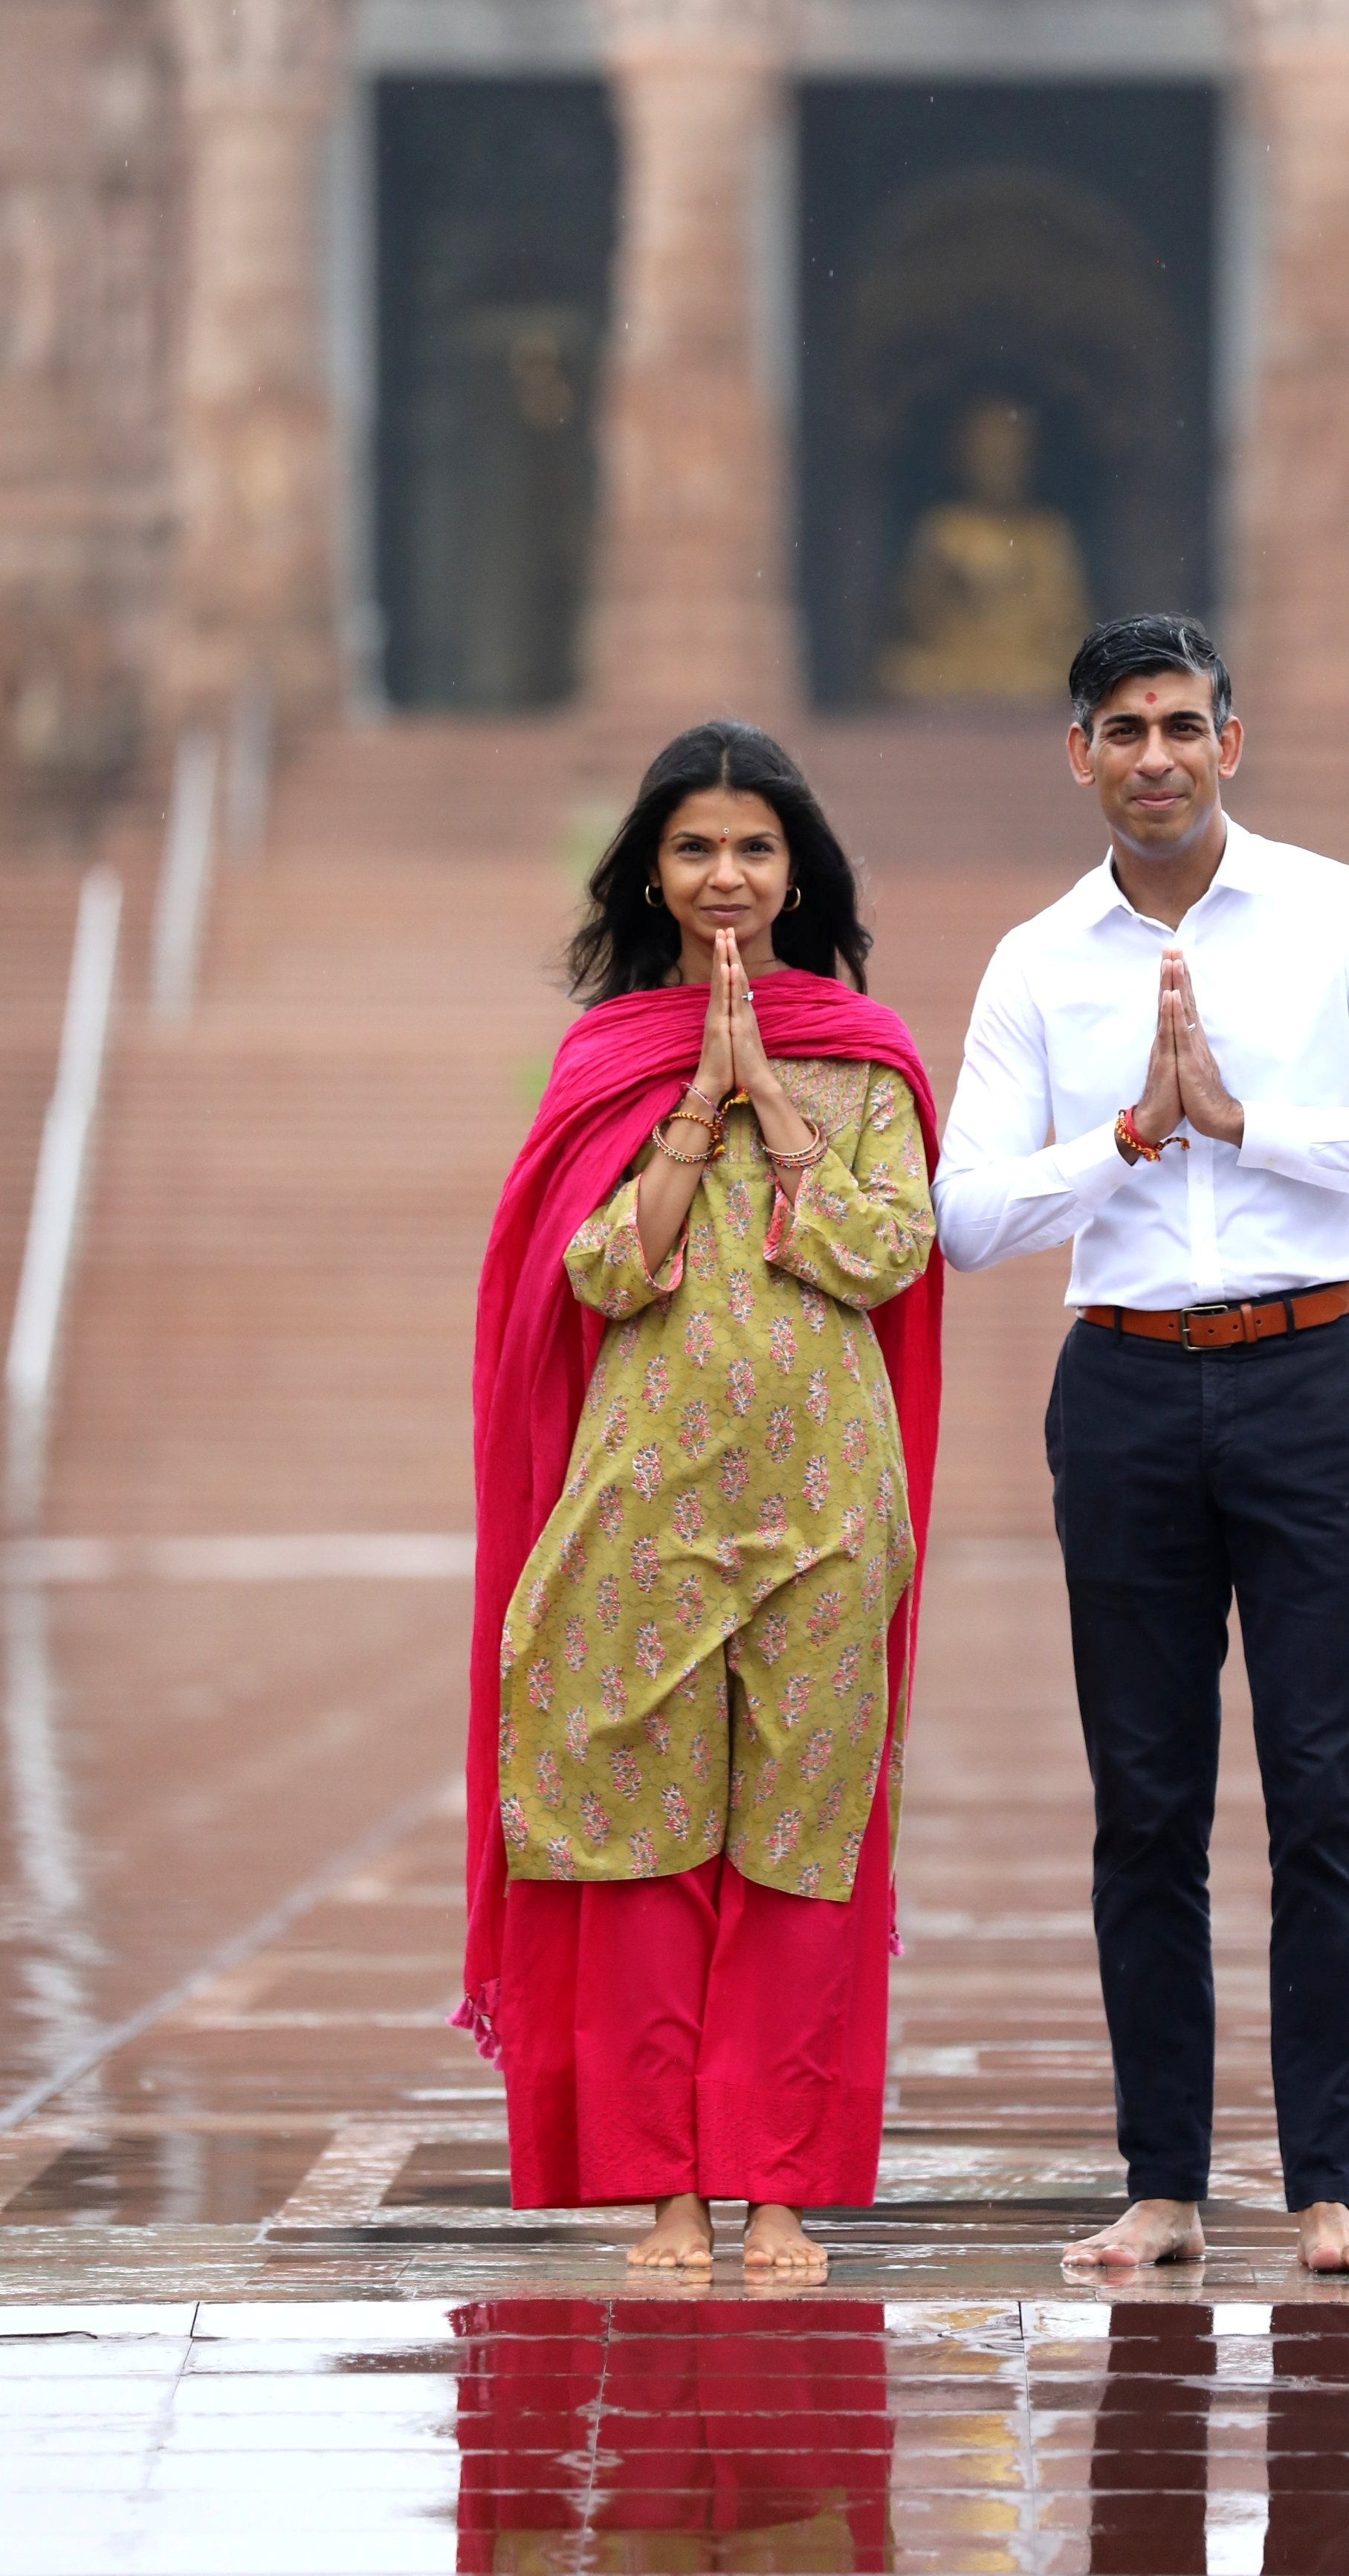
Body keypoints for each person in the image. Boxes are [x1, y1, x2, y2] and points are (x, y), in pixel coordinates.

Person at [934, 614, 1349, 2274]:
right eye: (1124, 729)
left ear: (1230, 743)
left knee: (1329, 1791)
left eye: (1184, 724)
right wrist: (1125, 1138)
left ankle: (1330, 2186)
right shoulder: (1040, 958)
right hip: (1120, 1388)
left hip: (1312, 1369)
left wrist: (1256, 1122)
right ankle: (1163, 2181)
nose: (1156, 755)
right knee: (1145, 1800)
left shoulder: (1339, 915)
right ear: (1081, 755)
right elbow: (964, 1213)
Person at [456, 720, 943, 2281]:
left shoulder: (864, 1051)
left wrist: (776, 1105)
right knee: (647, 1839)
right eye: (694, 847)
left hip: (825, 1499)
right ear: (650, 873)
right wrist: (691, 1111)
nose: (724, 875)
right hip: (643, 1492)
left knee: (802, 1837)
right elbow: (596, 1266)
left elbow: (887, 1250)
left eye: (752, 846)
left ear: (799, 871)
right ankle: (668, 2186)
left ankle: (780, 2185)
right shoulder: (607, 1053)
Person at [881, 398, 1090, 700]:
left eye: (1008, 456)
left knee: (1072, 672)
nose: (997, 466)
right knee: (900, 670)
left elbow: (1065, 618)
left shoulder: (1047, 532)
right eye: (987, 455)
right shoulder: (943, 528)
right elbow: (919, 613)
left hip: (1027, 665)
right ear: (962, 459)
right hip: (955, 663)